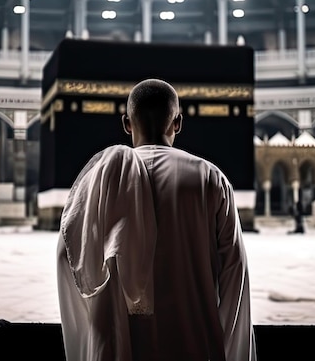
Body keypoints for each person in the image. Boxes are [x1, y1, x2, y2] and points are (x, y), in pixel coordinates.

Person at [56, 78, 257, 361]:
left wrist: (94, 334)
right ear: (178, 123)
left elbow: (68, 259)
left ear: (127, 123)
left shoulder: (97, 185)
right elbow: (235, 275)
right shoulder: (211, 180)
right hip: (194, 345)